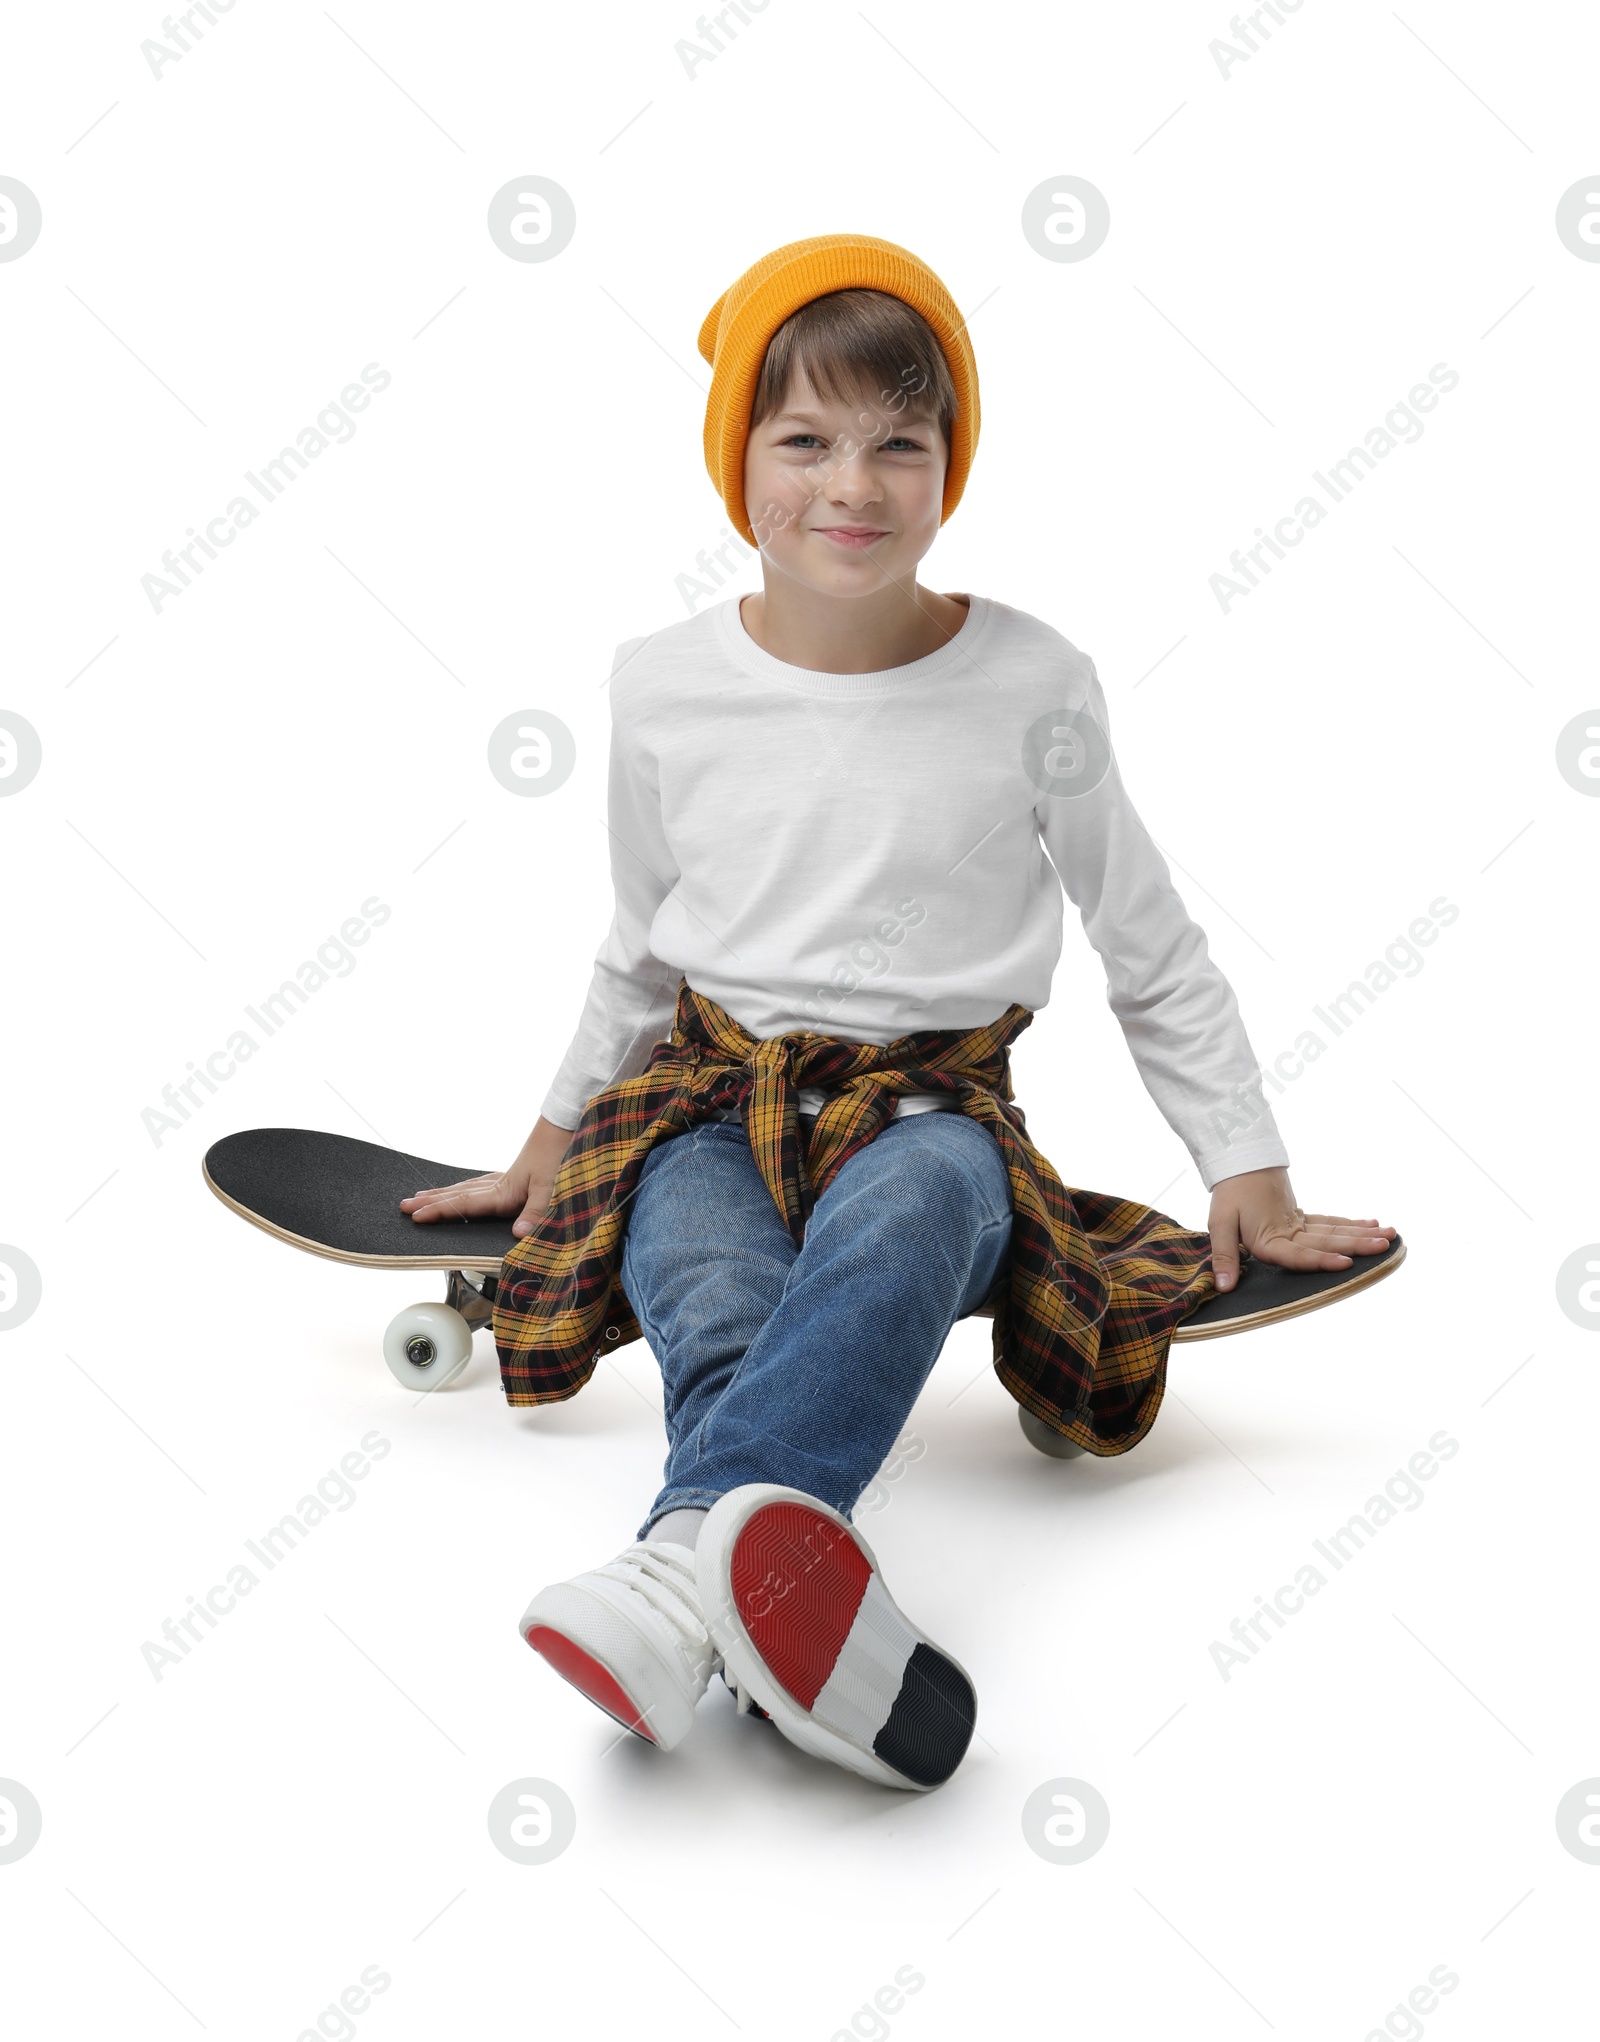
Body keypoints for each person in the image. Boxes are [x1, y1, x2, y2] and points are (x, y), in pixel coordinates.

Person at [400, 234, 1395, 1792]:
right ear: (740, 461)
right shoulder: (662, 686)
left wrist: (1245, 1167)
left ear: (950, 467)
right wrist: (543, 1148)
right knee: (708, 1275)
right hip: (706, 1104)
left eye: (898, 442)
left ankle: (672, 1575)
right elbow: (638, 949)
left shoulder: (1031, 682)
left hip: (929, 1118)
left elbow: (1147, 937)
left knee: (923, 1201)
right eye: (803, 439)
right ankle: (771, 1599)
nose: (851, 484)